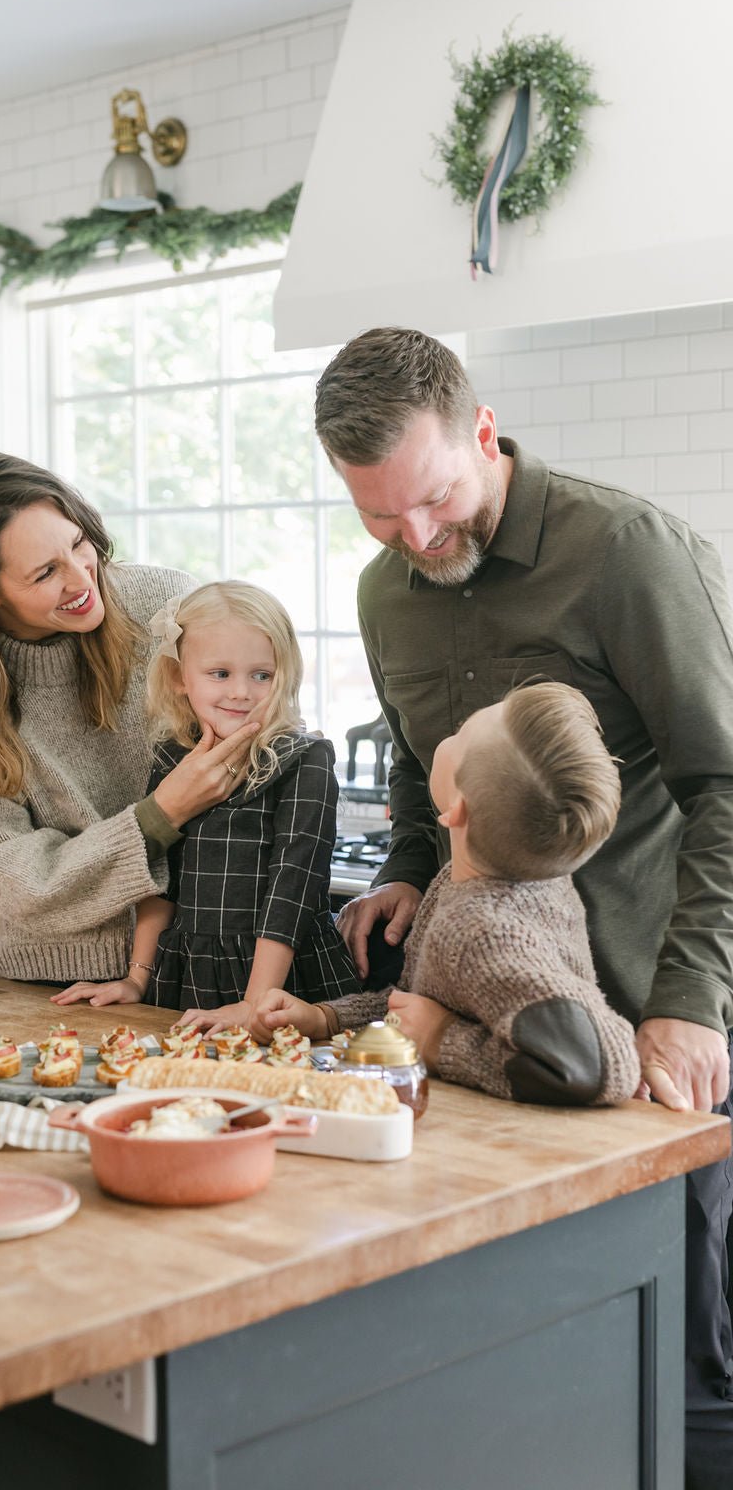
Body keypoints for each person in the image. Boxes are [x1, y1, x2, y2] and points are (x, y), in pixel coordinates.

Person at [313, 327, 733, 1490]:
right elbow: (413, 757)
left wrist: (693, 1004)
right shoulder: (385, 592)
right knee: (519, 1349)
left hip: (649, 1031)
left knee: (685, 1361)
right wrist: (406, 860)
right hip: (481, 1046)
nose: (415, 540)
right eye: (379, 517)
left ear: (482, 435)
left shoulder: (629, 553)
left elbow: (724, 789)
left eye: (435, 500)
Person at [0, 452, 258, 987]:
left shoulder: (163, 607)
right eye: (45, 573)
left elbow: (254, 735)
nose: (82, 576)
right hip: (49, 985)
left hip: (200, 966)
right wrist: (162, 813)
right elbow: (24, 882)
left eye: (79, 543)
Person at [261, 682, 641, 1106]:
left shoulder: (485, 931)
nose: (451, 733)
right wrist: (325, 1017)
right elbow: (423, 1004)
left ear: (455, 808)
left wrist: (442, 1040)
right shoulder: (479, 885)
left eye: (460, 734)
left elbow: (598, 1067)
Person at [54, 581, 360, 1029]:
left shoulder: (305, 759)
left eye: (262, 675)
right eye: (220, 674)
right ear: (179, 677)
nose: (241, 692)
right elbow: (160, 880)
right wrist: (137, 980)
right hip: (187, 973)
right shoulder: (173, 757)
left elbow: (292, 890)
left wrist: (256, 1004)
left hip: (281, 980)